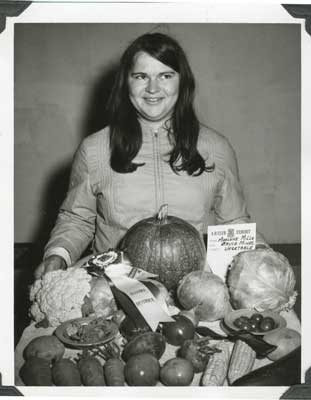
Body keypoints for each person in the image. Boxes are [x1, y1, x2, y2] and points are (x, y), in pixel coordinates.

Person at [34, 32, 268, 279]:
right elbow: (76, 218)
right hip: (114, 287)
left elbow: (234, 224)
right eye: (141, 76)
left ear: (182, 81)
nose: (153, 88)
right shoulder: (94, 149)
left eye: (165, 76)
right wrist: (58, 255)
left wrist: (264, 254)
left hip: (193, 287)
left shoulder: (217, 147)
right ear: (126, 82)